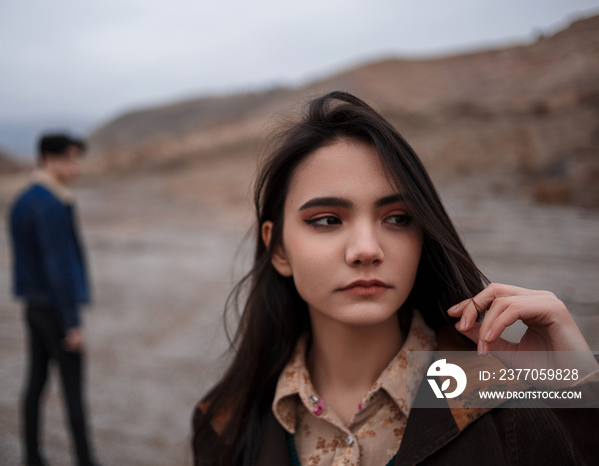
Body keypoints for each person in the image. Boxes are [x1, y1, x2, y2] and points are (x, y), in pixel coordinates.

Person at [192, 92, 599, 465]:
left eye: (397, 219)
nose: (367, 249)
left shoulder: (505, 406)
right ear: (278, 248)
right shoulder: (224, 425)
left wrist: (580, 389)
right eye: (328, 220)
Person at [9, 133, 98, 466]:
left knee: (36, 381)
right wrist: (72, 322)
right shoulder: (50, 203)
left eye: (78, 158)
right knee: (72, 388)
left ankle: (32, 456)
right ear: (49, 157)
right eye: (70, 158)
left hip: (34, 305)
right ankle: (85, 460)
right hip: (56, 309)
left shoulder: (23, 199)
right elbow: (57, 264)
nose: (76, 166)